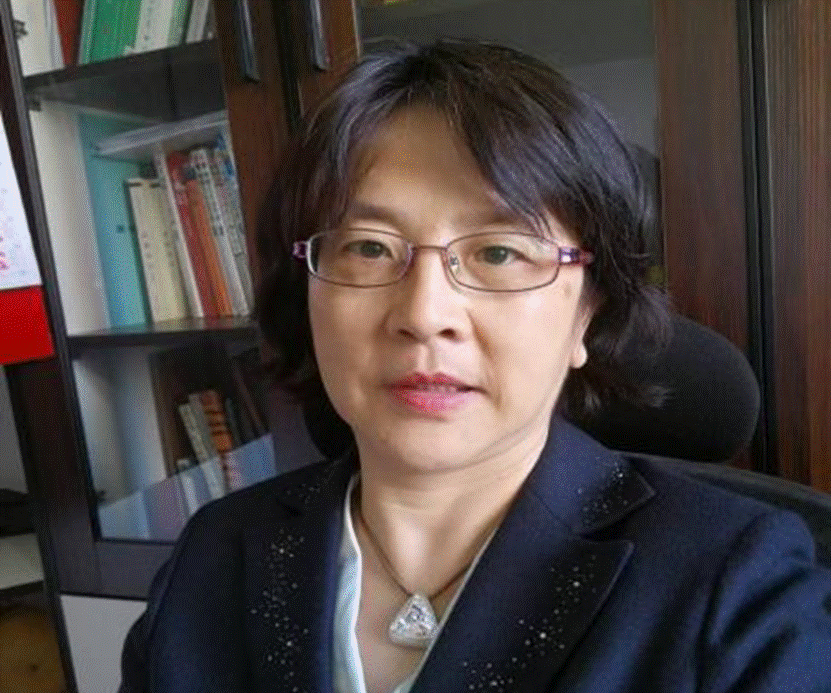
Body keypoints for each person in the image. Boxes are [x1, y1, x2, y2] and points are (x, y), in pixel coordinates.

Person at [119, 39, 831, 692]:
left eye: (498, 252)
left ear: (587, 314)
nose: (425, 313)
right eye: (368, 247)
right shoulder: (212, 556)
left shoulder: (734, 586)